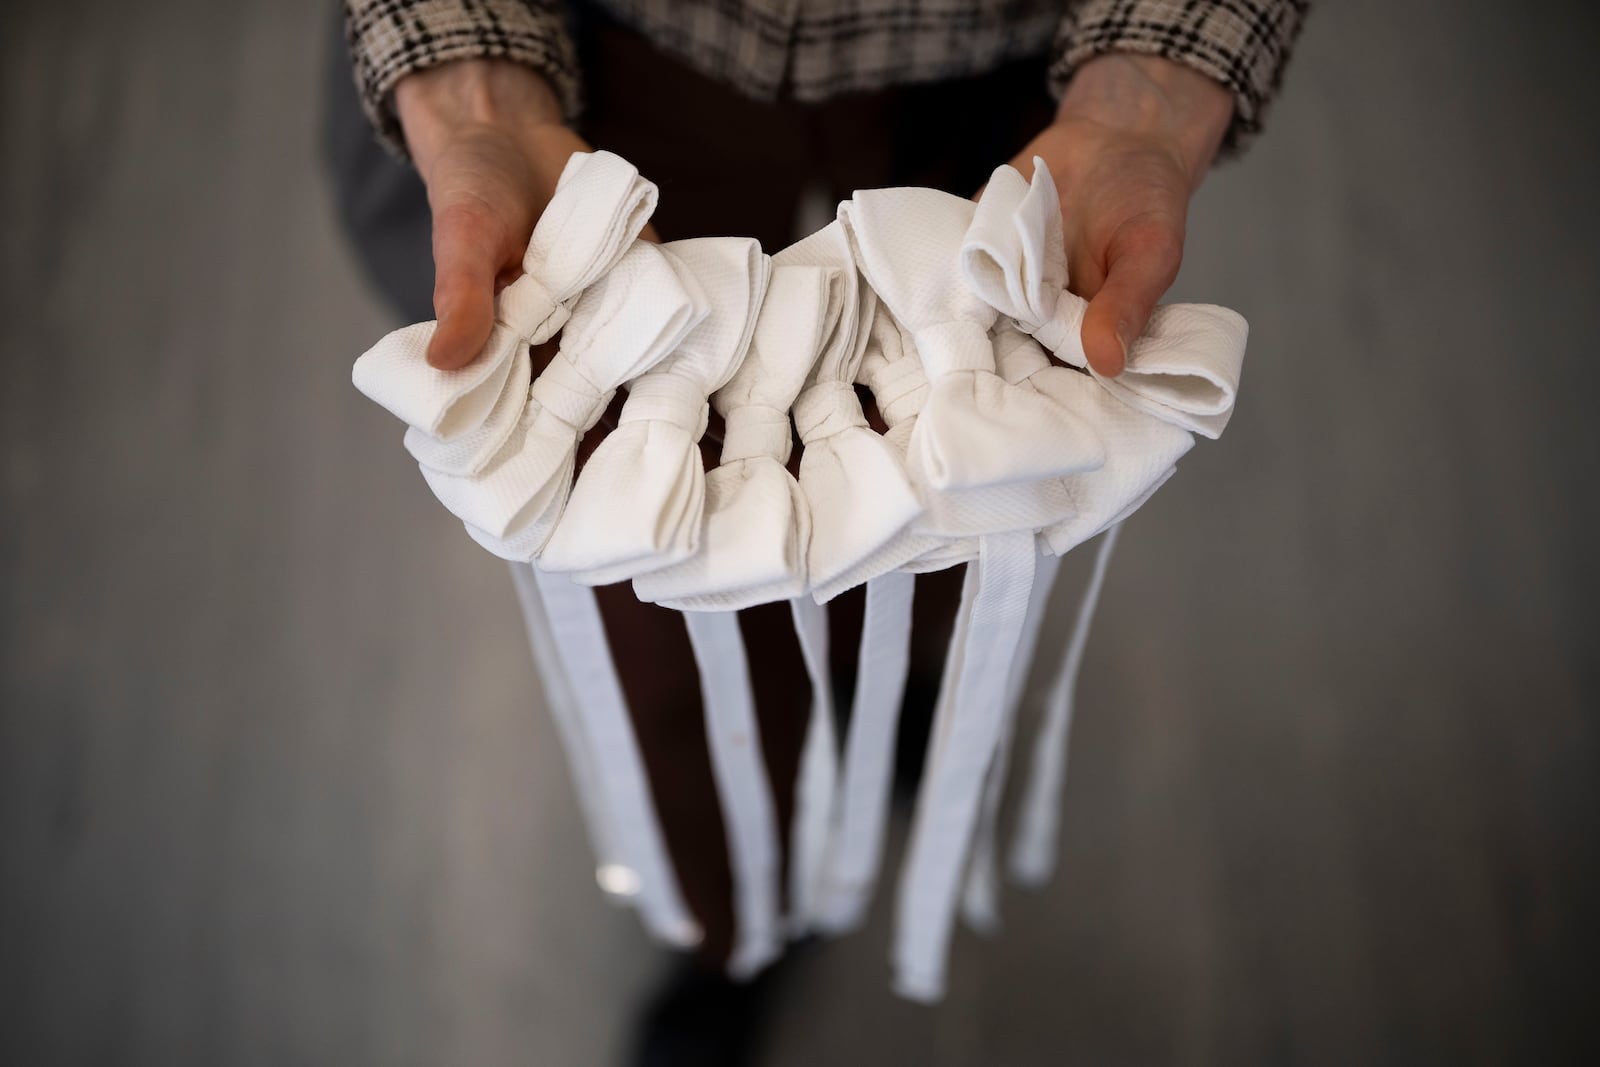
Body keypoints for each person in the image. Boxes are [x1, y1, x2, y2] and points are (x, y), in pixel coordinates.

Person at [327, 1, 1306, 1061]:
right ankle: (732, 926)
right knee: (659, 606)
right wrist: (474, 76)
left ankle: (874, 693)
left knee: (959, 500)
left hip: (1006, 53)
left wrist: (1152, 82)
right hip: (616, 51)